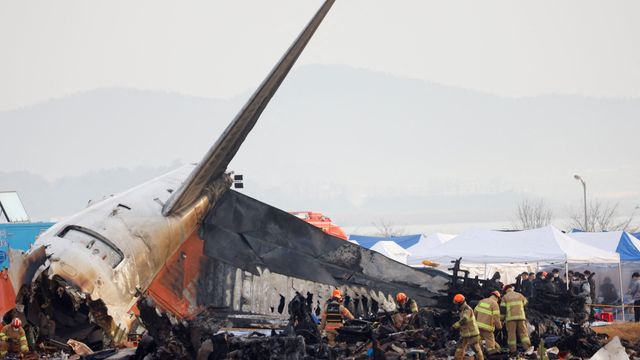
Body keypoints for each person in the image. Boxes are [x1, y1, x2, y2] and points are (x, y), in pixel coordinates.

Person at [501, 285, 531, 354]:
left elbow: (502, 310)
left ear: (505, 290)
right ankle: (527, 349)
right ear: (512, 289)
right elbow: (526, 304)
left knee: (511, 334)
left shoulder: (505, 297)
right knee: (524, 333)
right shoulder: (520, 295)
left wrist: (501, 320)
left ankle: (513, 350)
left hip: (510, 318)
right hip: (521, 317)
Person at [452, 294, 484, 360]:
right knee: (460, 348)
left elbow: (465, 319)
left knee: (476, 349)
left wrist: (456, 325)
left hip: (472, 334)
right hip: (465, 334)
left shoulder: (467, 309)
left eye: (456, 304)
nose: (455, 305)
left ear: (460, 303)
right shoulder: (462, 310)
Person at [474, 290, 502, 355]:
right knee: (490, 345)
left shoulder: (482, 301)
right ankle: (491, 356)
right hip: (487, 328)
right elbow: (496, 318)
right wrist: (499, 327)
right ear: (497, 298)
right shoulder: (495, 304)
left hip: (478, 326)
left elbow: (475, 312)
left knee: (479, 343)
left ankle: (480, 356)